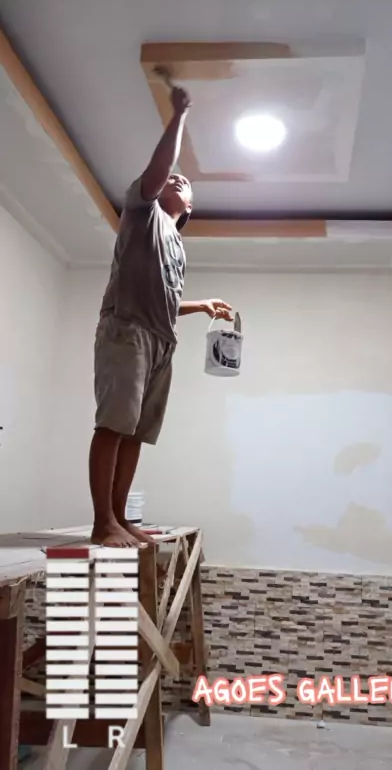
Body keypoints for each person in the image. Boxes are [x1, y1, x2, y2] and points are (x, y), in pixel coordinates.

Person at [89, 85, 233, 546]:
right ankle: (103, 521)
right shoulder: (142, 213)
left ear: (189, 209)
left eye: (185, 185)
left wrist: (200, 305)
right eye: (173, 178)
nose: (176, 180)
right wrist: (180, 115)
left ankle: (119, 517)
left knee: (137, 432)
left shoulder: (177, 245)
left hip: (161, 343)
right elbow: (156, 172)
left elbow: (166, 301)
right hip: (127, 329)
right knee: (114, 423)